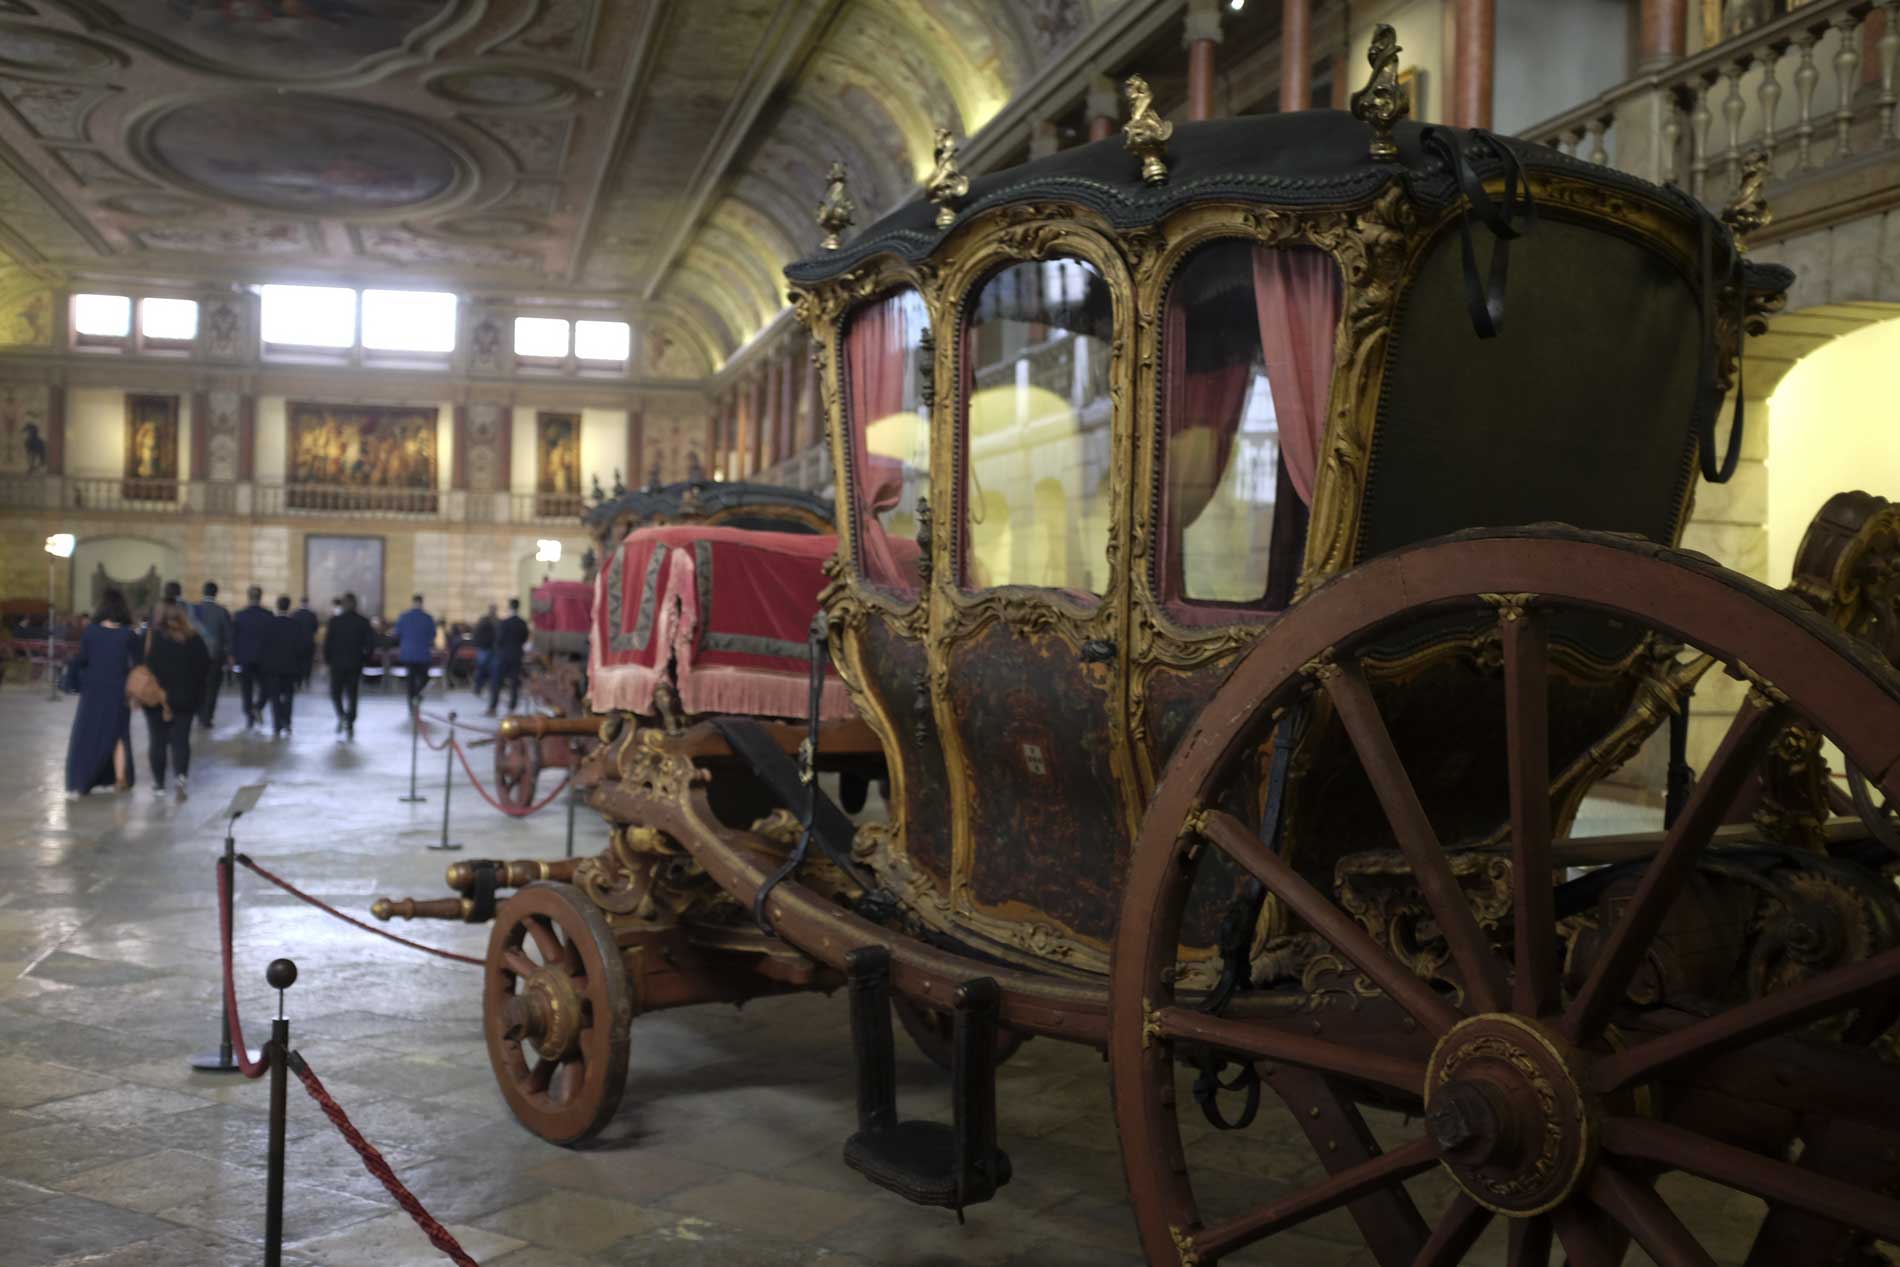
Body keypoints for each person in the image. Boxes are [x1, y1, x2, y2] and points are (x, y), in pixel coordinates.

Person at [63, 588, 138, 797]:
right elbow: (137, 664)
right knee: (119, 734)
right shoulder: (129, 635)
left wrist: (72, 679)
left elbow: (82, 659)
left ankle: (83, 779)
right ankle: (120, 778)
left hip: (94, 691)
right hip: (119, 691)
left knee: (89, 734)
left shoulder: (91, 632)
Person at [138, 599, 210, 799]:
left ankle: (160, 785)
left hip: (156, 699)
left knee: (157, 741)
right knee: (181, 741)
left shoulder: (151, 638)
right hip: (185, 698)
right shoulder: (195, 639)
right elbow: (205, 668)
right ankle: (181, 778)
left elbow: (142, 664)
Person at [324, 593, 376, 741]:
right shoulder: (363, 622)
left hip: (337, 664)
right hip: (355, 663)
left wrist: (328, 660)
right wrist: (365, 659)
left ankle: (342, 715)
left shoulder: (335, 621)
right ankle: (350, 720)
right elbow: (370, 644)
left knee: (336, 692)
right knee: (352, 694)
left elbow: (328, 643)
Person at [262, 595, 307, 739]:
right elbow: (300, 648)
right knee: (288, 696)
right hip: (290, 667)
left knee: (274, 697)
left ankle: (277, 725)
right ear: (289, 606)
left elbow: (265, 646)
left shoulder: (269, 624)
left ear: (277, 605)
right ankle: (286, 721)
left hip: (273, 667)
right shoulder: (295, 625)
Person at [231, 585, 273, 730]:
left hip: (245, 659)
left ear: (249, 597)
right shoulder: (268, 615)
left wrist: (234, 659)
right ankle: (258, 706)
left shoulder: (240, 616)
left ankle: (249, 716)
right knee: (266, 689)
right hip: (264, 659)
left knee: (246, 690)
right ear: (260, 597)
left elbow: (234, 639)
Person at [192, 581, 232, 729]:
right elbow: (228, 635)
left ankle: (198, 712)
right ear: (216, 593)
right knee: (212, 687)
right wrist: (229, 654)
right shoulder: (221, 611)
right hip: (215, 655)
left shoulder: (194, 610)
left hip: (195, 655)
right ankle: (207, 717)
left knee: (197, 685)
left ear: (203, 592)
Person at [487, 597, 529, 716]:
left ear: (510, 607)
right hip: (516, 655)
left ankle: (493, 707)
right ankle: (512, 707)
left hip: (503, 656)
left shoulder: (504, 623)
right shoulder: (522, 623)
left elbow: (499, 639)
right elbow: (525, 638)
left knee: (497, 682)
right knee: (514, 682)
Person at [394, 593, 437, 708]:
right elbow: (432, 636)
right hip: (423, 654)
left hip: (408, 654)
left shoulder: (403, 617)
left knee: (410, 680)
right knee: (424, 679)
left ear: (412, 603)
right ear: (422, 603)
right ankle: (418, 696)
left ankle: (411, 701)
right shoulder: (428, 618)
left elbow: (397, 634)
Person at [291, 596, 319, 689]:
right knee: (308, 663)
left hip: (297, 643)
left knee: (298, 663)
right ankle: (307, 680)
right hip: (309, 643)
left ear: (300, 602)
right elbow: (315, 629)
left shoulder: (294, 614)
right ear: (308, 603)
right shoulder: (312, 615)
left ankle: (298, 682)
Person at [471, 603, 498, 696]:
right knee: (483, 669)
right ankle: (479, 688)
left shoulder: (495, 621)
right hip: (485, 648)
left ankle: (485, 688)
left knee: (489, 670)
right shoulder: (488, 621)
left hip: (490, 649)